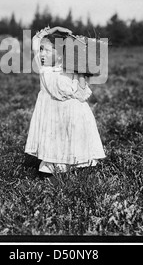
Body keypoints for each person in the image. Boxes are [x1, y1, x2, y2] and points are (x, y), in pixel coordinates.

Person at [25, 26, 106, 177]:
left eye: (47, 50)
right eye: (42, 49)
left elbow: (82, 95)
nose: (42, 53)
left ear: (61, 55)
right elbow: (35, 41)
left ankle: (79, 168)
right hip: (52, 115)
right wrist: (52, 30)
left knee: (74, 141)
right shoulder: (44, 68)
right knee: (55, 143)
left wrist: (80, 71)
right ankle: (52, 171)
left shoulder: (71, 71)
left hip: (73, 115)